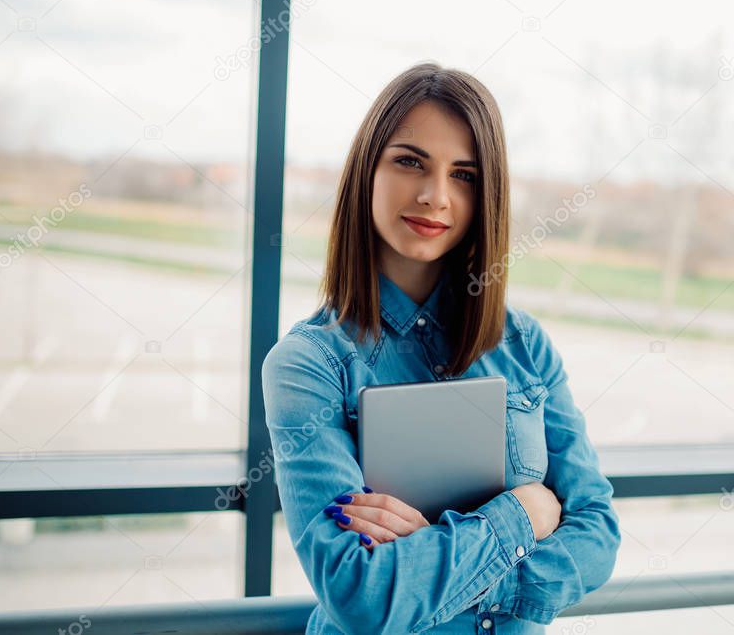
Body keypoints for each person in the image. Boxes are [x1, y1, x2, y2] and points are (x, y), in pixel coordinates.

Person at [262, 61, 621, 634]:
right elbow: (363, 598)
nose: (435, 196)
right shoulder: (308, 366)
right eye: (410, 162)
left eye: (465, 175)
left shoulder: (526, 346)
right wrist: (524, 515)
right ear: (367, 171)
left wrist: (431, 560)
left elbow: (598, 535)